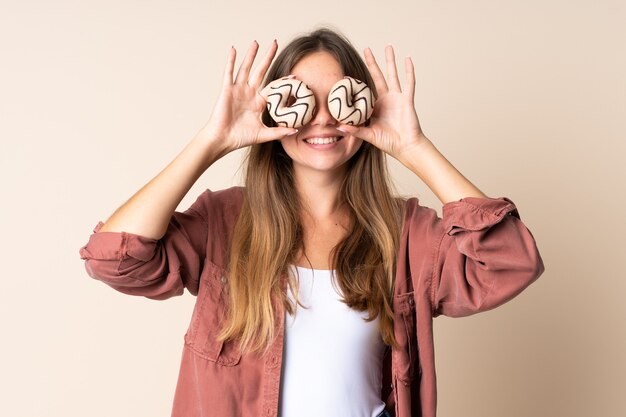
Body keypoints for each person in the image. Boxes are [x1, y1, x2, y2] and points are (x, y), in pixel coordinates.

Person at [79, 28, 545, 417]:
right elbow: (114, 257)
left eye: (338, 100)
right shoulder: (223, 221)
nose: (321, 119)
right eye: (302, 99)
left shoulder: (404, 235)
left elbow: (510, 261)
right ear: (273, 110)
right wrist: (212, 139)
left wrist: (413, 147)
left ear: (363, 110)